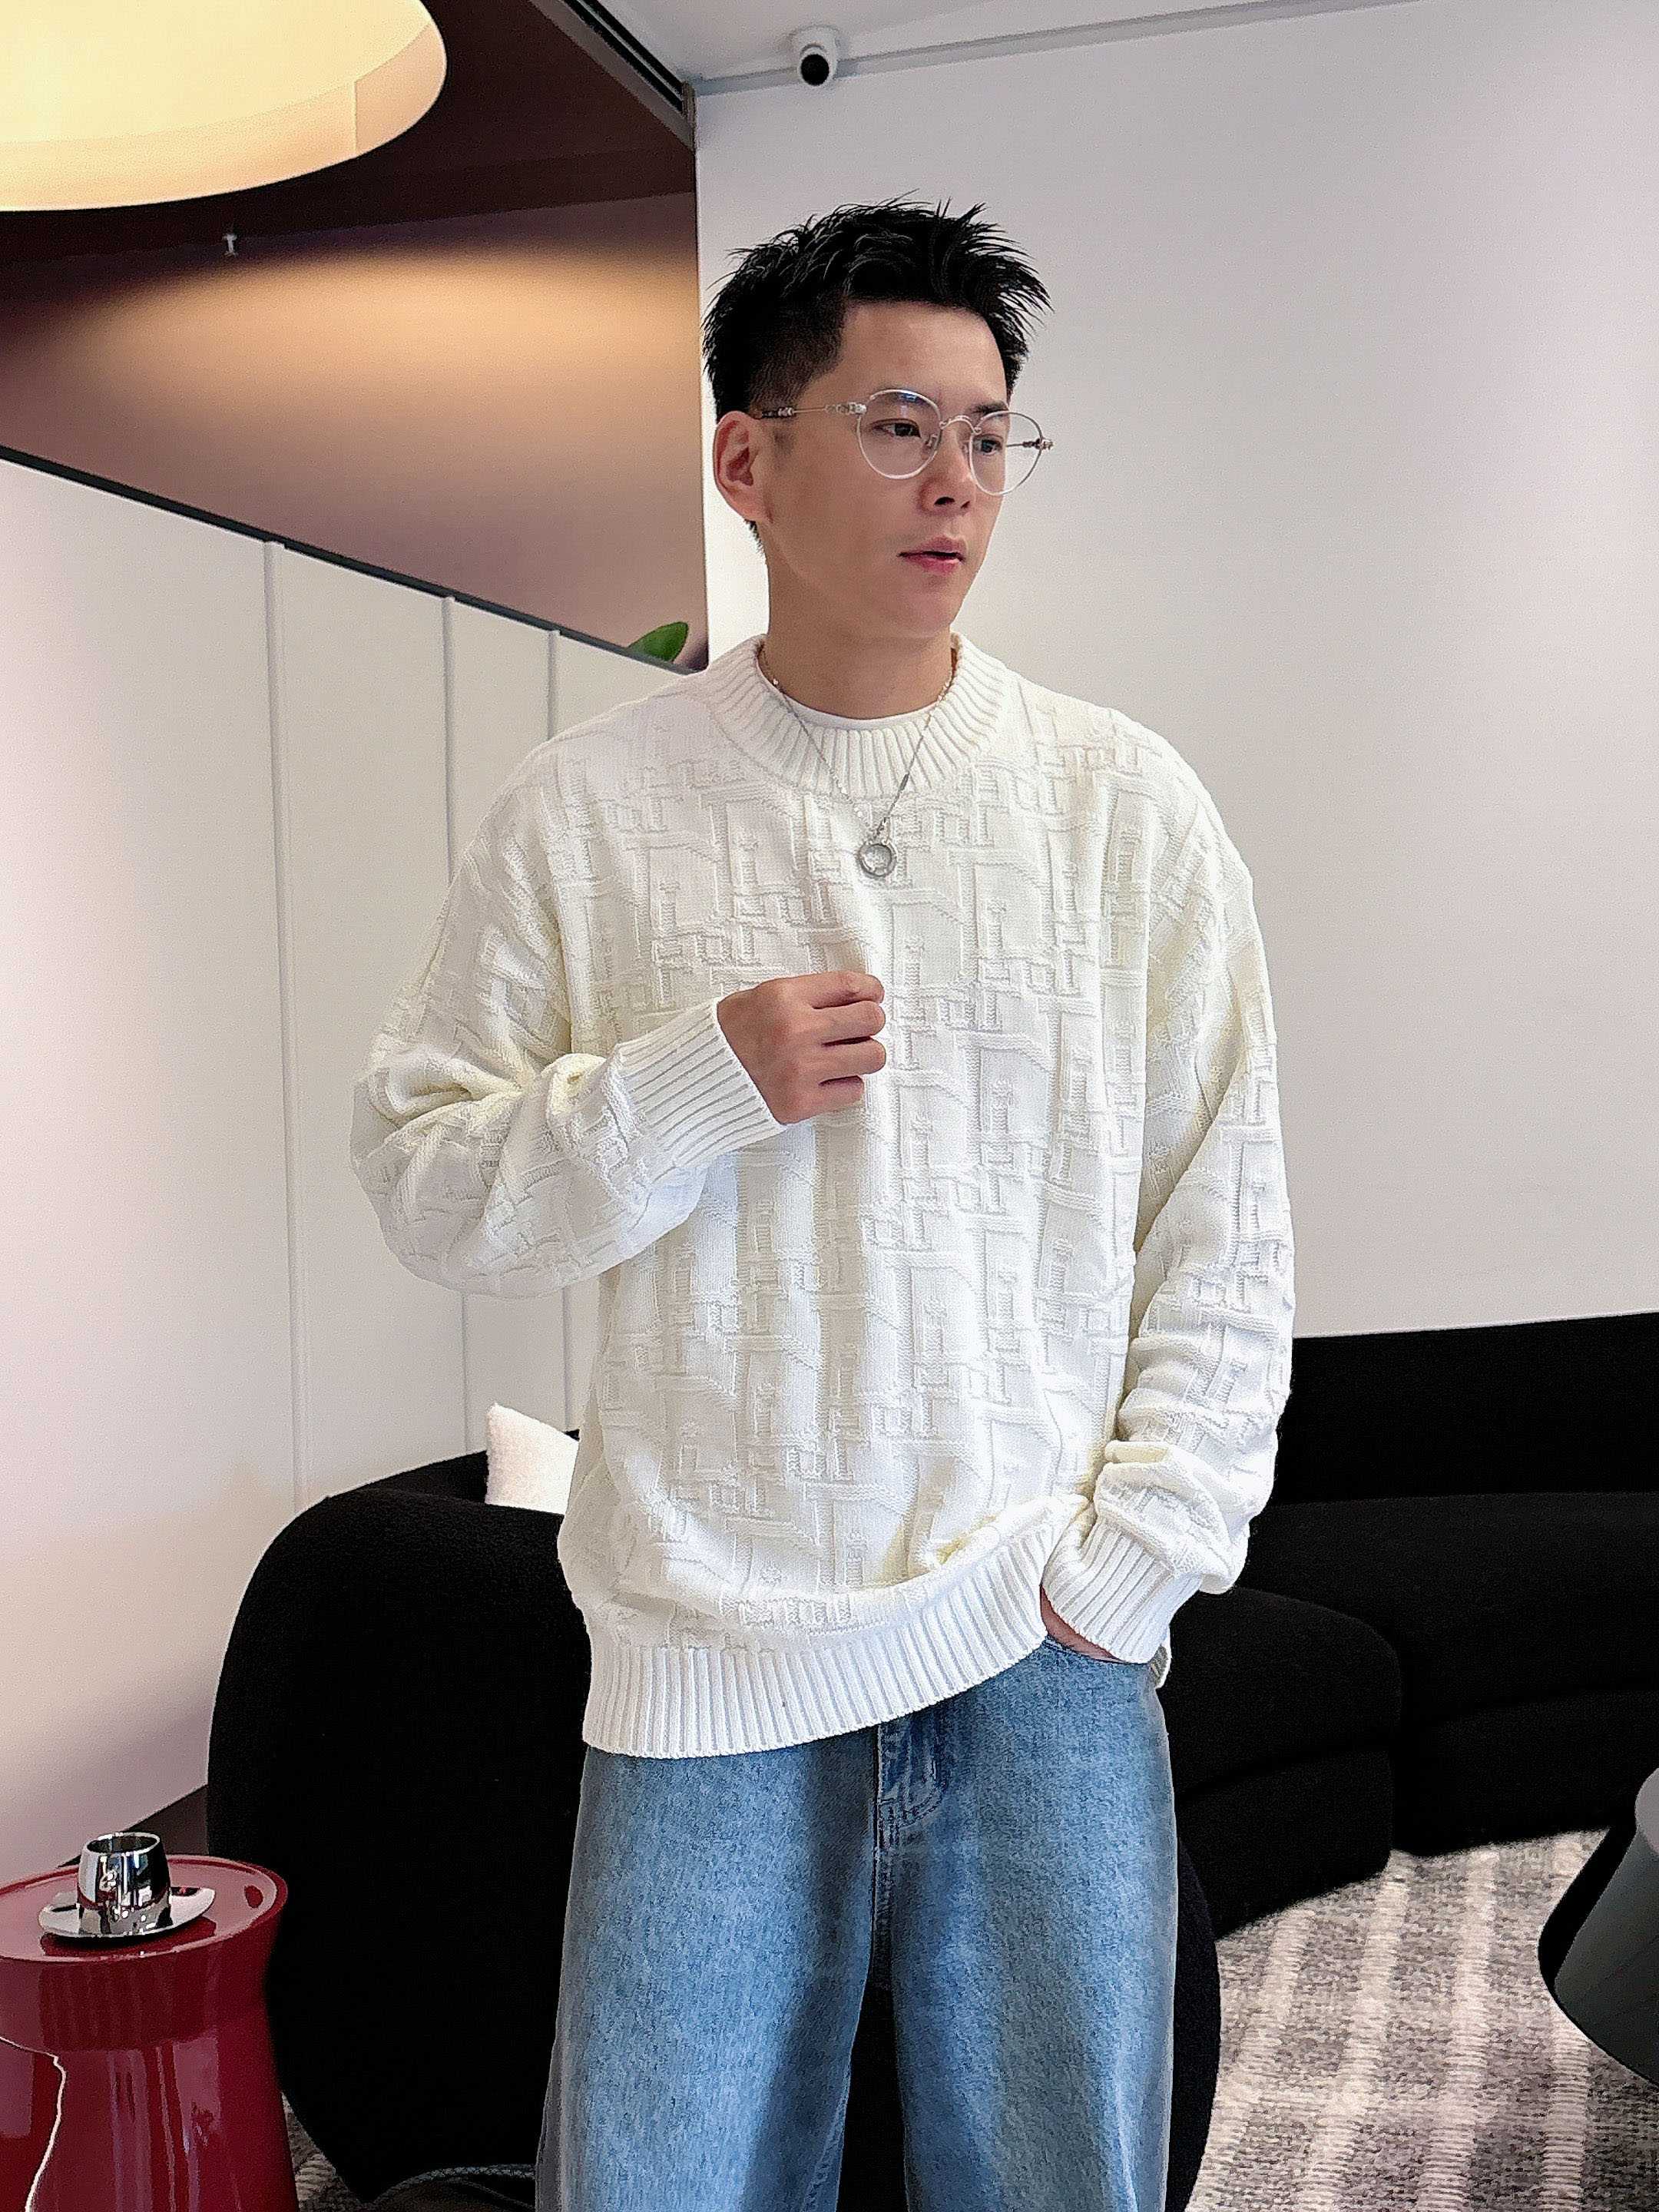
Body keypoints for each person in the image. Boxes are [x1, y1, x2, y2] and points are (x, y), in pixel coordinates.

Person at [350, 194, 1296, 2212]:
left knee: (1065, 2184)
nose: (958, 481)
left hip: (1039, 1634)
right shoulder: (587, 812)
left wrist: (1131, 1570)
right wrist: (695, 1081)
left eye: (990, 434)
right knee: (658, 2186)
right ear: (748, 460)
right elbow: (433, 1187)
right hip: (706, 1659)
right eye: (896, 426)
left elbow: (1225, 1224)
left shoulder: (1125, 809)